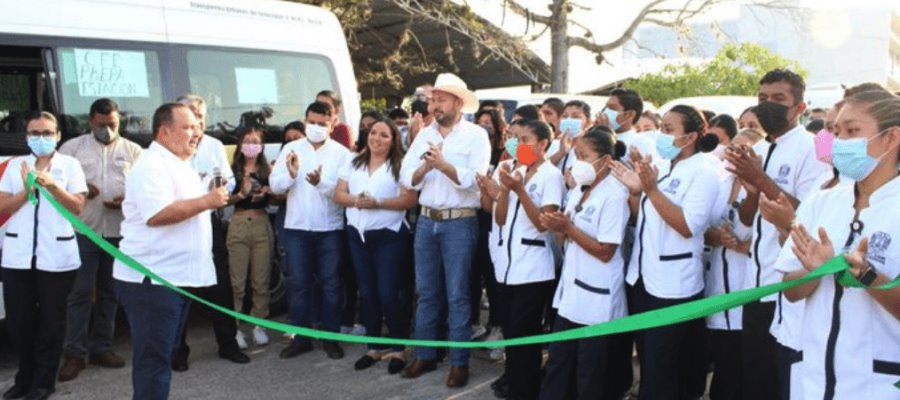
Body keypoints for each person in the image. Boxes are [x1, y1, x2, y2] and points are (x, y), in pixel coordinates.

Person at [776, 89, 900, 399]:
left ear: (891, 137)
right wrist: (814, 272)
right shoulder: (821, 202)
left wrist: (868, 276)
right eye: (836, 132)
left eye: (853, 131)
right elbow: (790, 290)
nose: (840, 142)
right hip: (814, 379)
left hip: (878, 383)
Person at [724, 69, 830, 400]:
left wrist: (761, 179)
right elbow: (746, 218)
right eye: (762, 99)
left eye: (778, 99)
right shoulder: (763, 149)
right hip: (753, 286)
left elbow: (807, 218)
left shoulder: (812, 150)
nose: (767, 105)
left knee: (776, 383)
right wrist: (753, 186)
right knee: (754, 379)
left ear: (799, 107)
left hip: (784, 288)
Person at [113, 103, 229, 400]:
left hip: (175, 279)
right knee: (154, 361)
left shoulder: (178, 164)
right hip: (152, 281)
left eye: (198, 126)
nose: (197, 133)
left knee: (161, 357)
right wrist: (208, 201)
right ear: (164, 132)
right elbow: (158, 214)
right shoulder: (151, 166)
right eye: (188, 127)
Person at [618, 105, 721, 399]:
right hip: (643, 277)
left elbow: (688, 226)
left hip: (673, 284)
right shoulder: (663, 167)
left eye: (667, 129)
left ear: (689, 137)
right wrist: (635, 191)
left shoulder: (704, 171)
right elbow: (645, 218)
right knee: (651, 359)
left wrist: (650, 190)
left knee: (664, 363)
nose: (660, 135)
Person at [399, 72, 490, 388]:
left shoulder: (477, 135)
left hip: (460, 222)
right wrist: (426, 167)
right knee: (426, 293)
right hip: (426, 220)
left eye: (440, 99)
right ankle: (425, 354)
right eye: (433, 99)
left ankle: (459, 361)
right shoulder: (424, 134)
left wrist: (444, 166)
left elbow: (476, 180)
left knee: (458, 295)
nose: (434, 105)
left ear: (458, 102)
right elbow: (405, 177)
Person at [0, 111, 87, 400]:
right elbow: (3, 206)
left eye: (47, 133)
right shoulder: (14, 166)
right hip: (17, 256)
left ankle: (43, 382)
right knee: (20, 323)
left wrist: (52, 185)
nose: (41, 138)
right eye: (35, 133)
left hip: (56, 257)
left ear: (59, 135)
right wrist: (27, 191)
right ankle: (23, 379)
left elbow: (77, 207)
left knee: (52, 323)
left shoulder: (70, 165)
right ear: (26, 136)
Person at [539, 126, 629, 400]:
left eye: (583, 155)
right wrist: (556, 226)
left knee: (589, 370)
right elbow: (564, 236)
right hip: (571, 292)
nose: (577, 162)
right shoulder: (579, 190)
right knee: (558, 361)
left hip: (597, 295)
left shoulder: (614, 195)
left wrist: (567, 228)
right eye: (575, 155)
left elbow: (606, 251)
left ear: (605, 161)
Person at [57, 99, 140, 382]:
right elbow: (54, 185)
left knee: (110, 293)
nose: (108, 129)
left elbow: (145, 191)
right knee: (79, 293)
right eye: (102, 124)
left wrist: (127, 201)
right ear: (91, 121)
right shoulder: (72, 149)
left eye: (113, 124)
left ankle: (102, 347)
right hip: (83, 231)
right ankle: (74, 354)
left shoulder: (134, 151)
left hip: (118, 232)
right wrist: (80, 191)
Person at [480, 119, 563, 400]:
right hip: (507, 267)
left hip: (532, 268)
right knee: (512, 334)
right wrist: (503, 189)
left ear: (542, 144)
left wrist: (520, 191)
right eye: (515, 138)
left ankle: (525, 390)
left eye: (525, 139)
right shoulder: (517, 170)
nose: (519, 144)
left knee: (524, 334)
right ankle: (514, 383)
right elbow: (500, 218)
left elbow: (544, 223)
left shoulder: (550, 176)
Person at [171, 94, 249, 371]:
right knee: (179, 288)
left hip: (209, 222)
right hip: (179, 224)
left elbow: (226, 180)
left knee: (220, 287)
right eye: (192, 114)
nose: (198, 121)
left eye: (201, 116)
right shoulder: (170, 147)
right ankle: (177, 352)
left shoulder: (214, 145)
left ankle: (227, 345)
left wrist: (218, 186)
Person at [333, 117, 416, 374]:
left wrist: (378, 203)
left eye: (384, 135)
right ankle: (374, 347)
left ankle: (399, 348)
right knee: (367, 293)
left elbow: (409, 200)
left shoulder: (400, 165)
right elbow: (338, 195)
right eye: (373, 133)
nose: (376, 138)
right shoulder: (353, 161)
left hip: (388, 236)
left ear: (393, 141)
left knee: (388, 293)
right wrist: (356, 201)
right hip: (358, 235)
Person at [271, 101, 352, 360]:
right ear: (305, 120)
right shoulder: (292, 148)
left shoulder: (342, 154)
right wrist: (292, 175)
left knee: (331, 284)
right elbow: (275, 186)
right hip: (297, 228)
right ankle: (302, 338)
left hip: (329, 229)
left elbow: (342, 192)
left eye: (321, 124)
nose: (315, 128)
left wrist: (321, 183)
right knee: (299, 284)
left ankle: (330, 338)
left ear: (332, 124)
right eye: (312, 122)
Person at [702, 128, 764, 400]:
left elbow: (761, 230)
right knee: (724, 362)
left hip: (746, 285)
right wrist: (713, 236)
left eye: (744, 151)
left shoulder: (763, 189)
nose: (736, 156)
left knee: (745, 365)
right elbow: (700, 225)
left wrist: (741, 245)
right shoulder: (720, 181)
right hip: (717, 283)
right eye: (733, 149)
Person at [226, 126, 274, 348]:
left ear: (262, 146)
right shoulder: (231, 170)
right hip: (238, 224)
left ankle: (259, 324)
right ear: (240, 144)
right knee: (236, 282)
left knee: (261, 281)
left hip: (261, 223)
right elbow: (223, 200)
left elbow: (279, 198)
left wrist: (268, 193)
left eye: (255, 141)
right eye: (247, 141)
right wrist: (241, 194)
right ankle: (234, 328)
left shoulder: (268, 170)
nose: (251, 145)